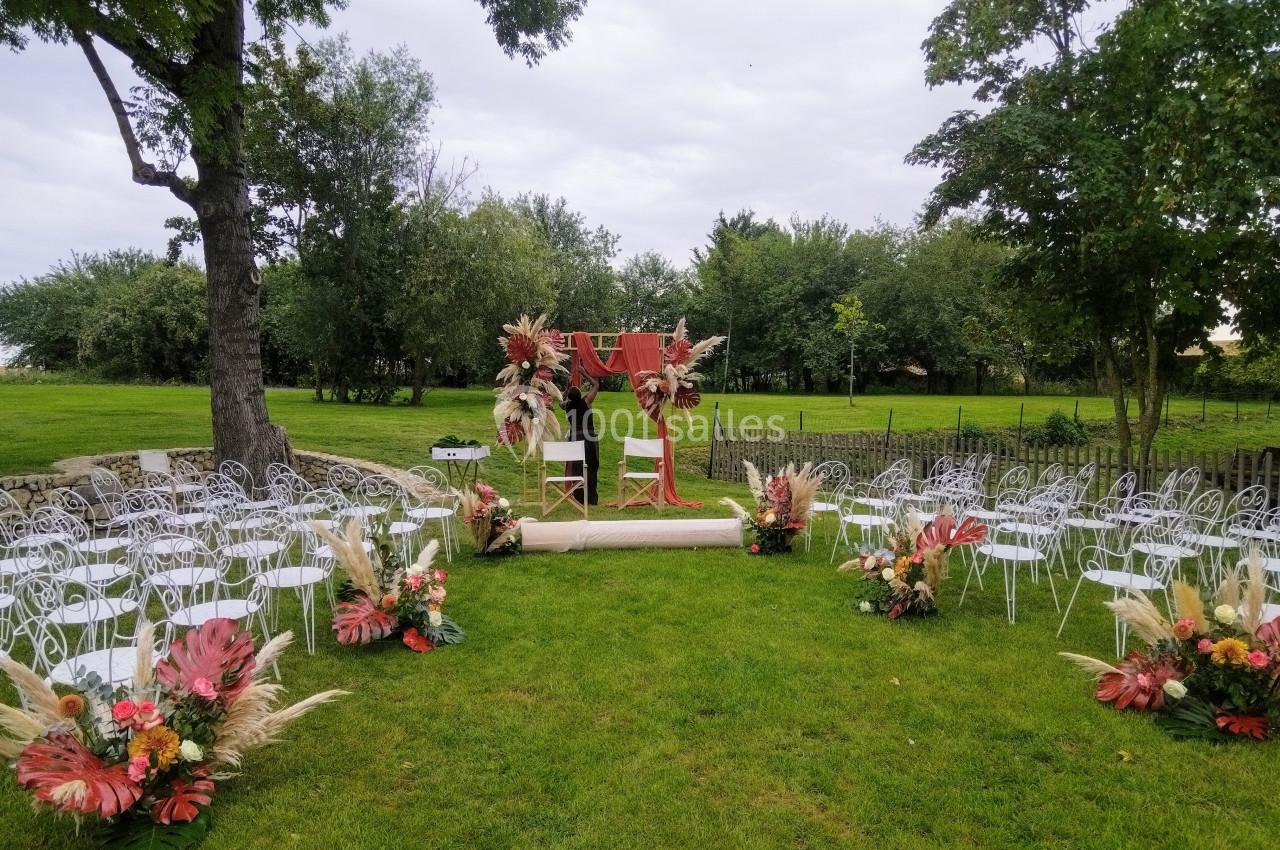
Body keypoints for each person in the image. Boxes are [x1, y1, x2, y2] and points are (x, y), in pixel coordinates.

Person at [561, 375, 600, 505]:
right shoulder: (586, 401)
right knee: (591, 468)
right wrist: (583, 373)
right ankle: (591, 498)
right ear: (580, 394)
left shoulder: (566, 406)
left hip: (575, 439)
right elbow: (595, 385)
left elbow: (561, 399)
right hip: (589, 439)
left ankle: (578, 497)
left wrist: (567, 387)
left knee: (576, 468)